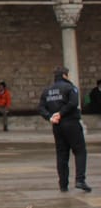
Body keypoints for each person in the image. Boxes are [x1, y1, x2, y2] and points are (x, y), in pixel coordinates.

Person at [38, 65, 91, 193]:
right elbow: (73, 103)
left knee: (62, 154)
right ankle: (80, 180)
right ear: (64, 75)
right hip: (71, 122)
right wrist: (61, 113)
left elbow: (41, 108)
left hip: (57, 125)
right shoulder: (70, 88)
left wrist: (50, 117)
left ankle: (63, 184)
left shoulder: (47, 90)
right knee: (80, 151)